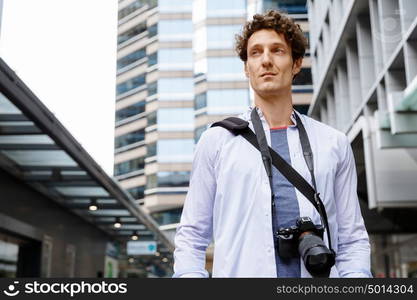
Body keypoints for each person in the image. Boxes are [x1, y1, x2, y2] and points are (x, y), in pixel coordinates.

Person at [173, 10, 371, 278]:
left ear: (297, 62)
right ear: (247, 68)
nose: (266, 60)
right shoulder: (217, 141)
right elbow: (192, 234)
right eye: (255, 53)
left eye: (277, 50)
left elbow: (352, 237)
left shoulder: (333, 143)